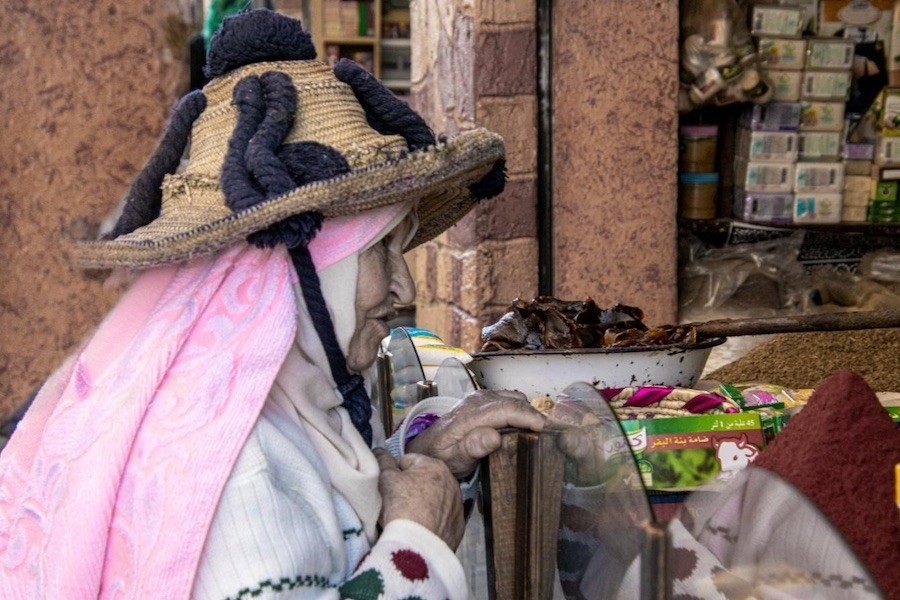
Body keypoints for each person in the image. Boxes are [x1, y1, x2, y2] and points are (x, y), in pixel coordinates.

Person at [0, 9, 545, 599]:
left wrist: (420, 456)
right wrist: (415, 543)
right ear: (306, 270)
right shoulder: (240, 477)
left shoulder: (249, 413)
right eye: (380, 250)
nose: (404, 289)